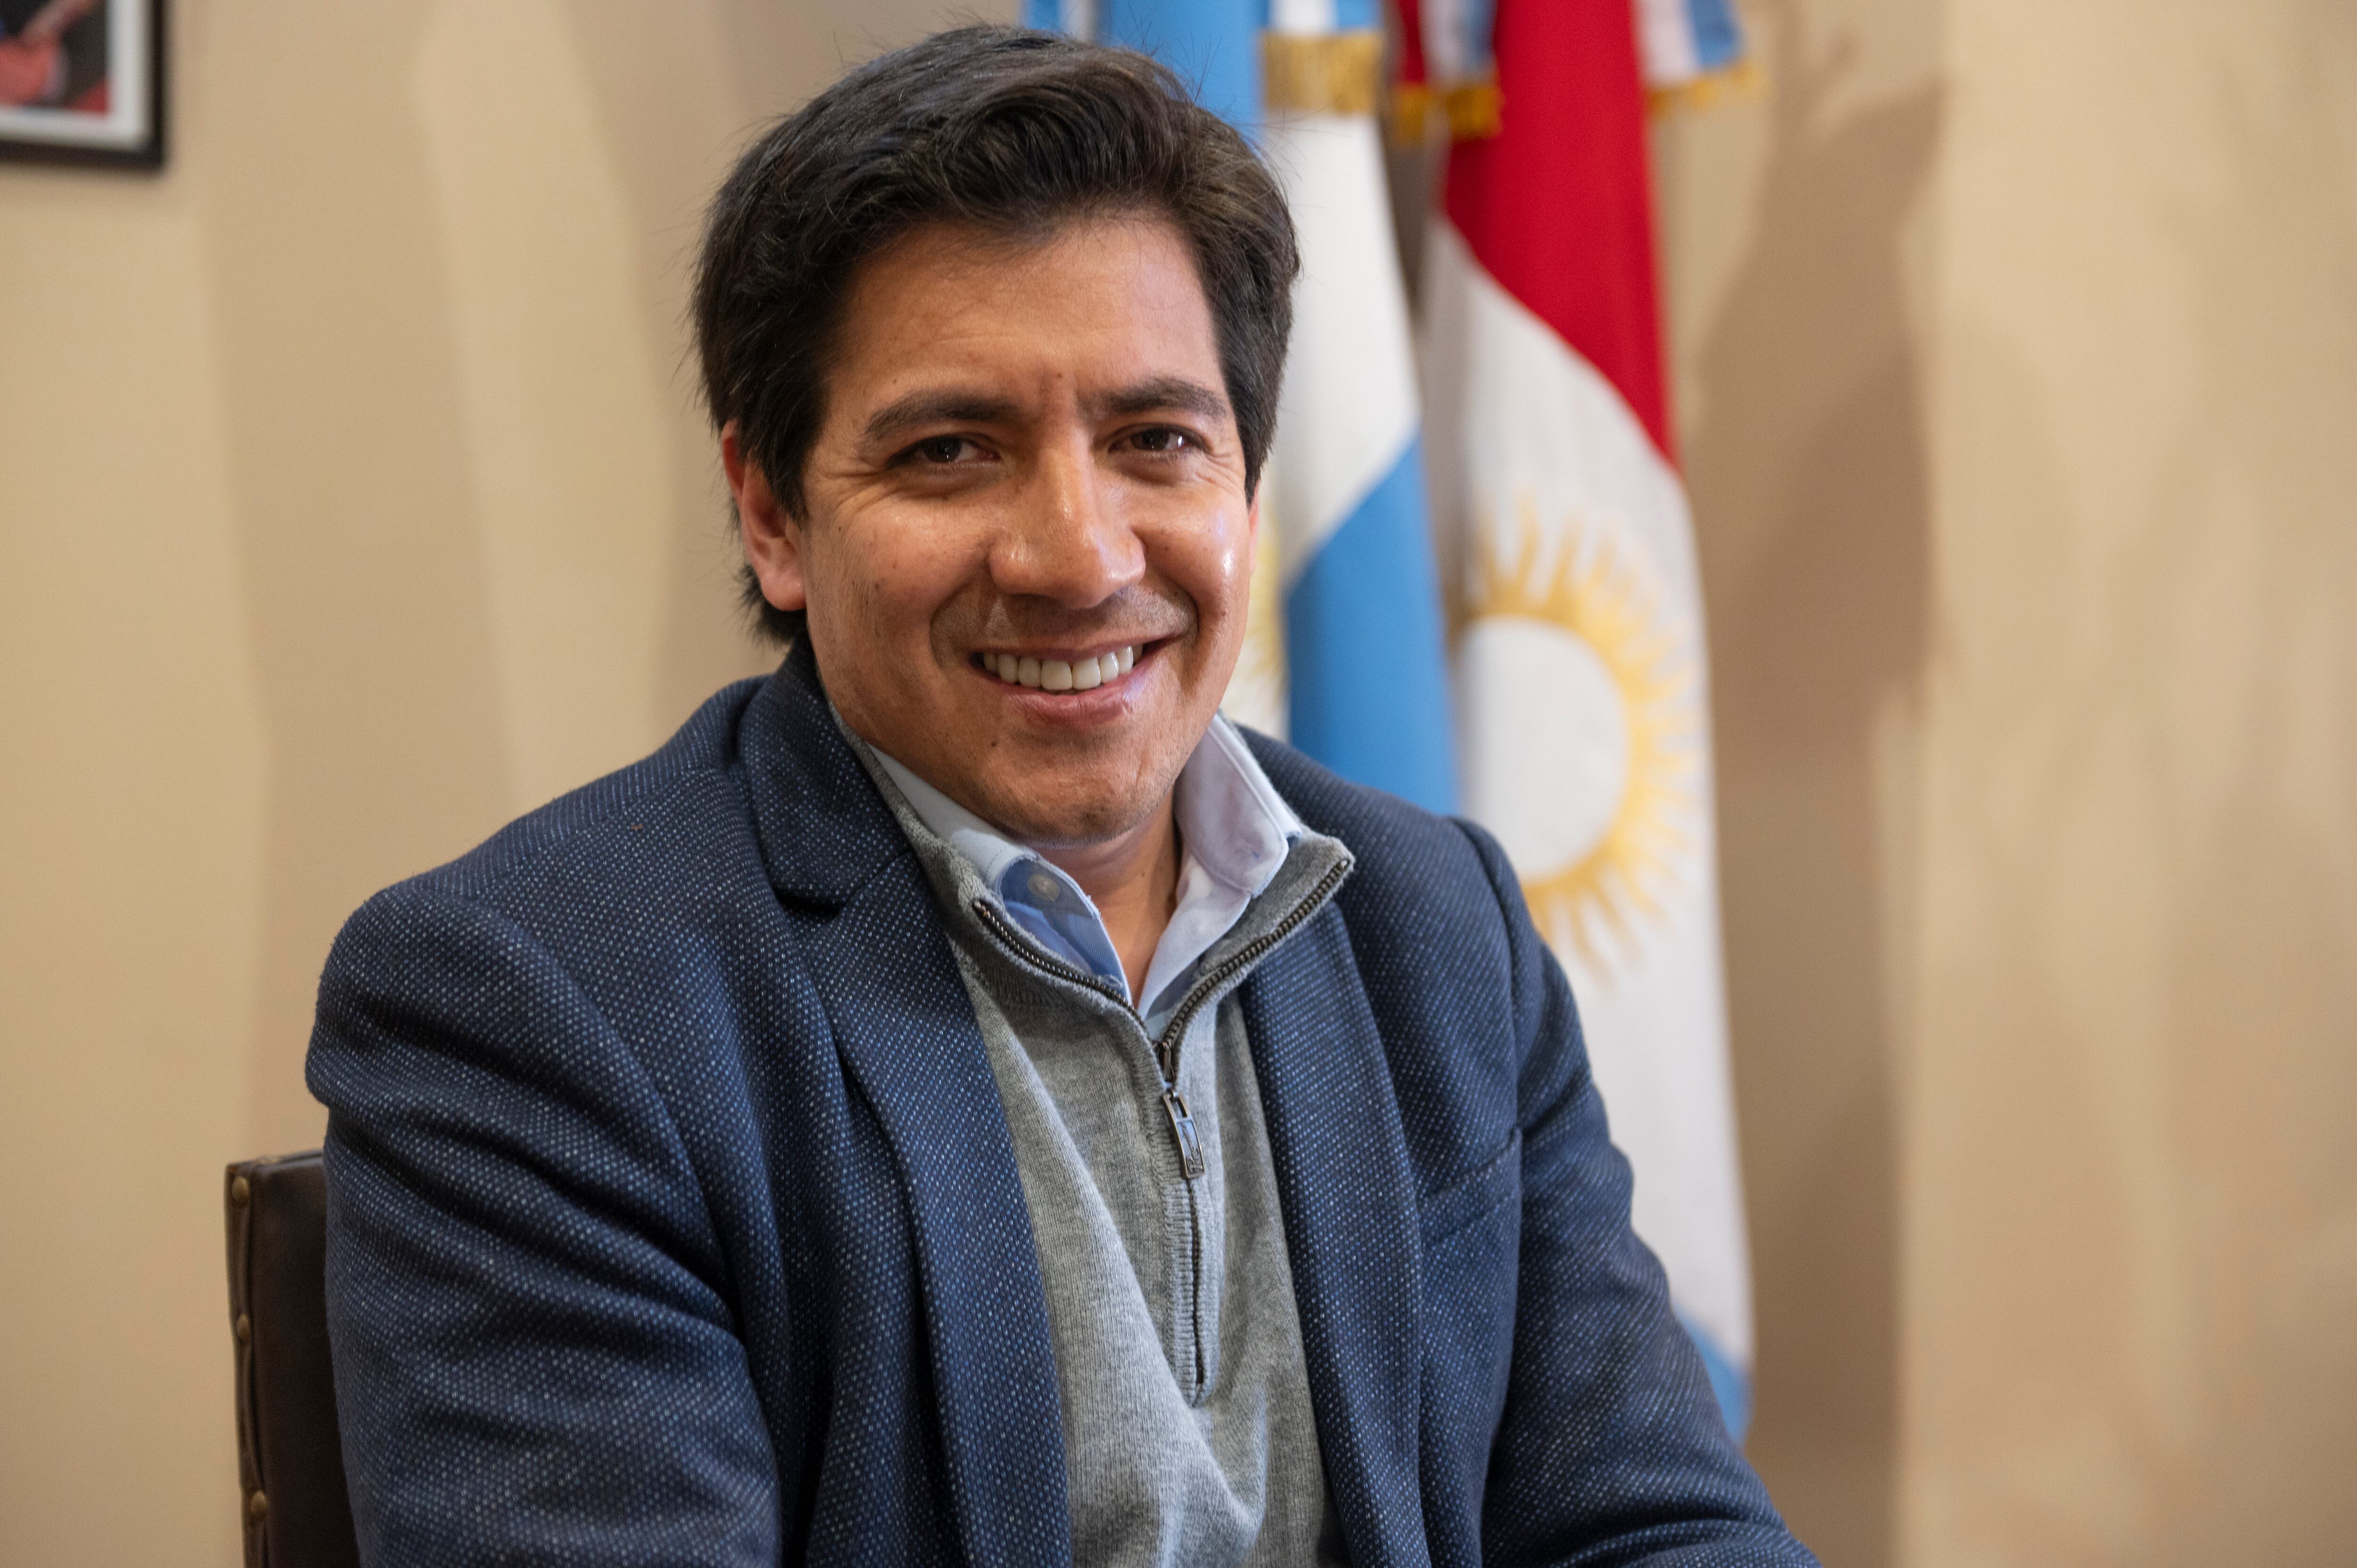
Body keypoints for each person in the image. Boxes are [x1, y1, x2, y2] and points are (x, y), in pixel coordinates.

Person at [309, 25, 1816, 1567]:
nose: (1081, 559)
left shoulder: (1437, 928)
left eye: (1157, 440)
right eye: (951, 451)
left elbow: (1657, 1527)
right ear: (772, 515)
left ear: (1246, 483)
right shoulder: (541, 1006)